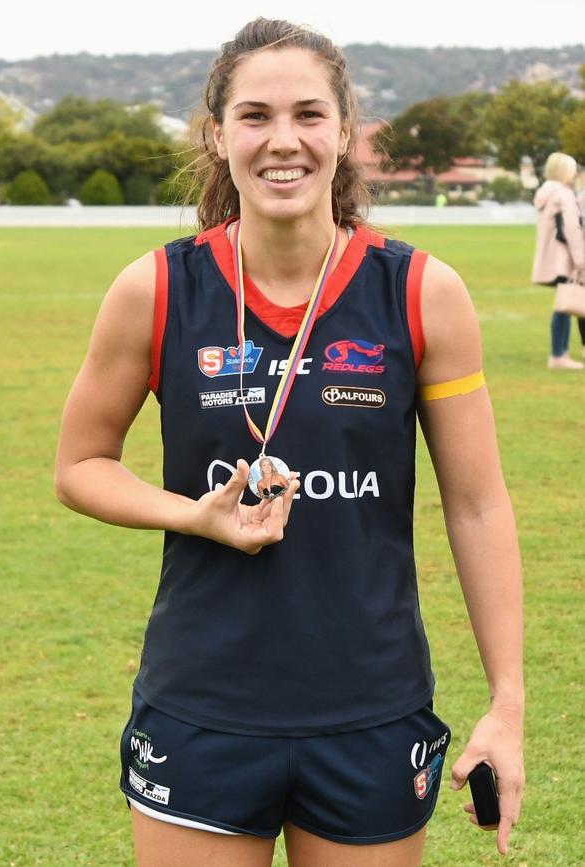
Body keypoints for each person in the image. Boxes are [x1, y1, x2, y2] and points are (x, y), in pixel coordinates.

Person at [54, 18, 524, 867]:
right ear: (218, 134)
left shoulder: (421, 292)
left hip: (370, 707)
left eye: (309, 114)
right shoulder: (156, 288)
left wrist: (508, 703)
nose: (284, 141)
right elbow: (79, 465)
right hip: (201, 707)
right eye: (255, 115)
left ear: (345, 133)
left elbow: (479, 504)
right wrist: (194, 516)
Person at [531, 151, 585, 370]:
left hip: (551, 257)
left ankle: (561, 353)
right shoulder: (564, 195)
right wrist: (581, 259)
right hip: (564, 258)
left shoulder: (545, 193)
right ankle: (558, 355)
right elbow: (572, 230)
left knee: (565, 303)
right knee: (564, 306)